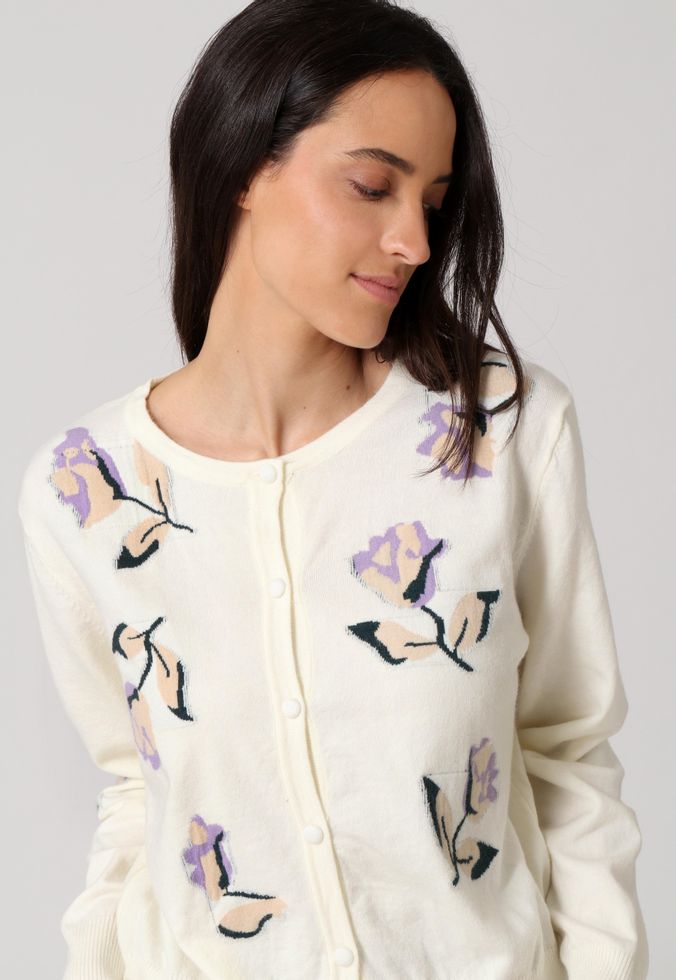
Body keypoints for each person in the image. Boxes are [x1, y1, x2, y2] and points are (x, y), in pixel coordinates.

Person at [17, 1, 649, 978]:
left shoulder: (499, 433)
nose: (415, 242)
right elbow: (138, 797)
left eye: (432, 202)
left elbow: (565, 756)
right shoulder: (82, 492)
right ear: (242, 165)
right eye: (371, 186)